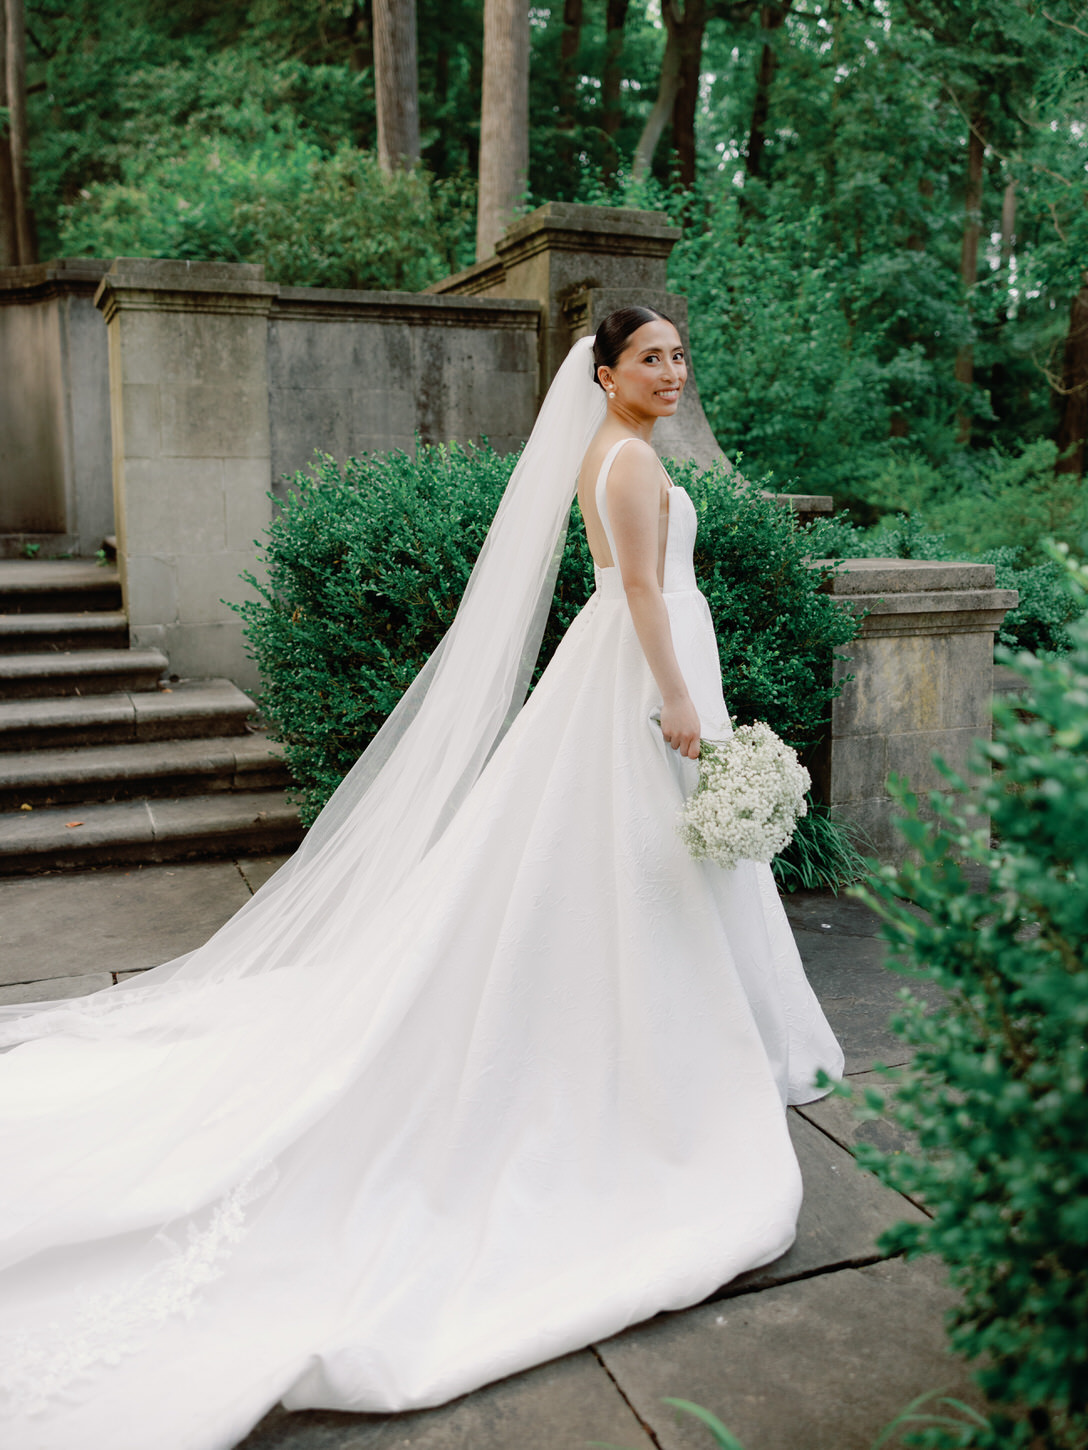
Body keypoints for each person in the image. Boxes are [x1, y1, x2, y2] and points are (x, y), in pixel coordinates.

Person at [0, 309, 843, 1450]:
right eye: (651, 357)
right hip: (646, 670)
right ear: (604, 374)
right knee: (644, 857)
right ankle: (662, 1052)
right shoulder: (632, 457)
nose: (672, 371)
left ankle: (683, 1020)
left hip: (627, 665)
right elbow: (641, 590)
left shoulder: (609, 451)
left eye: (681, 355)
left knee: (636, 860)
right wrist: (682, 700)